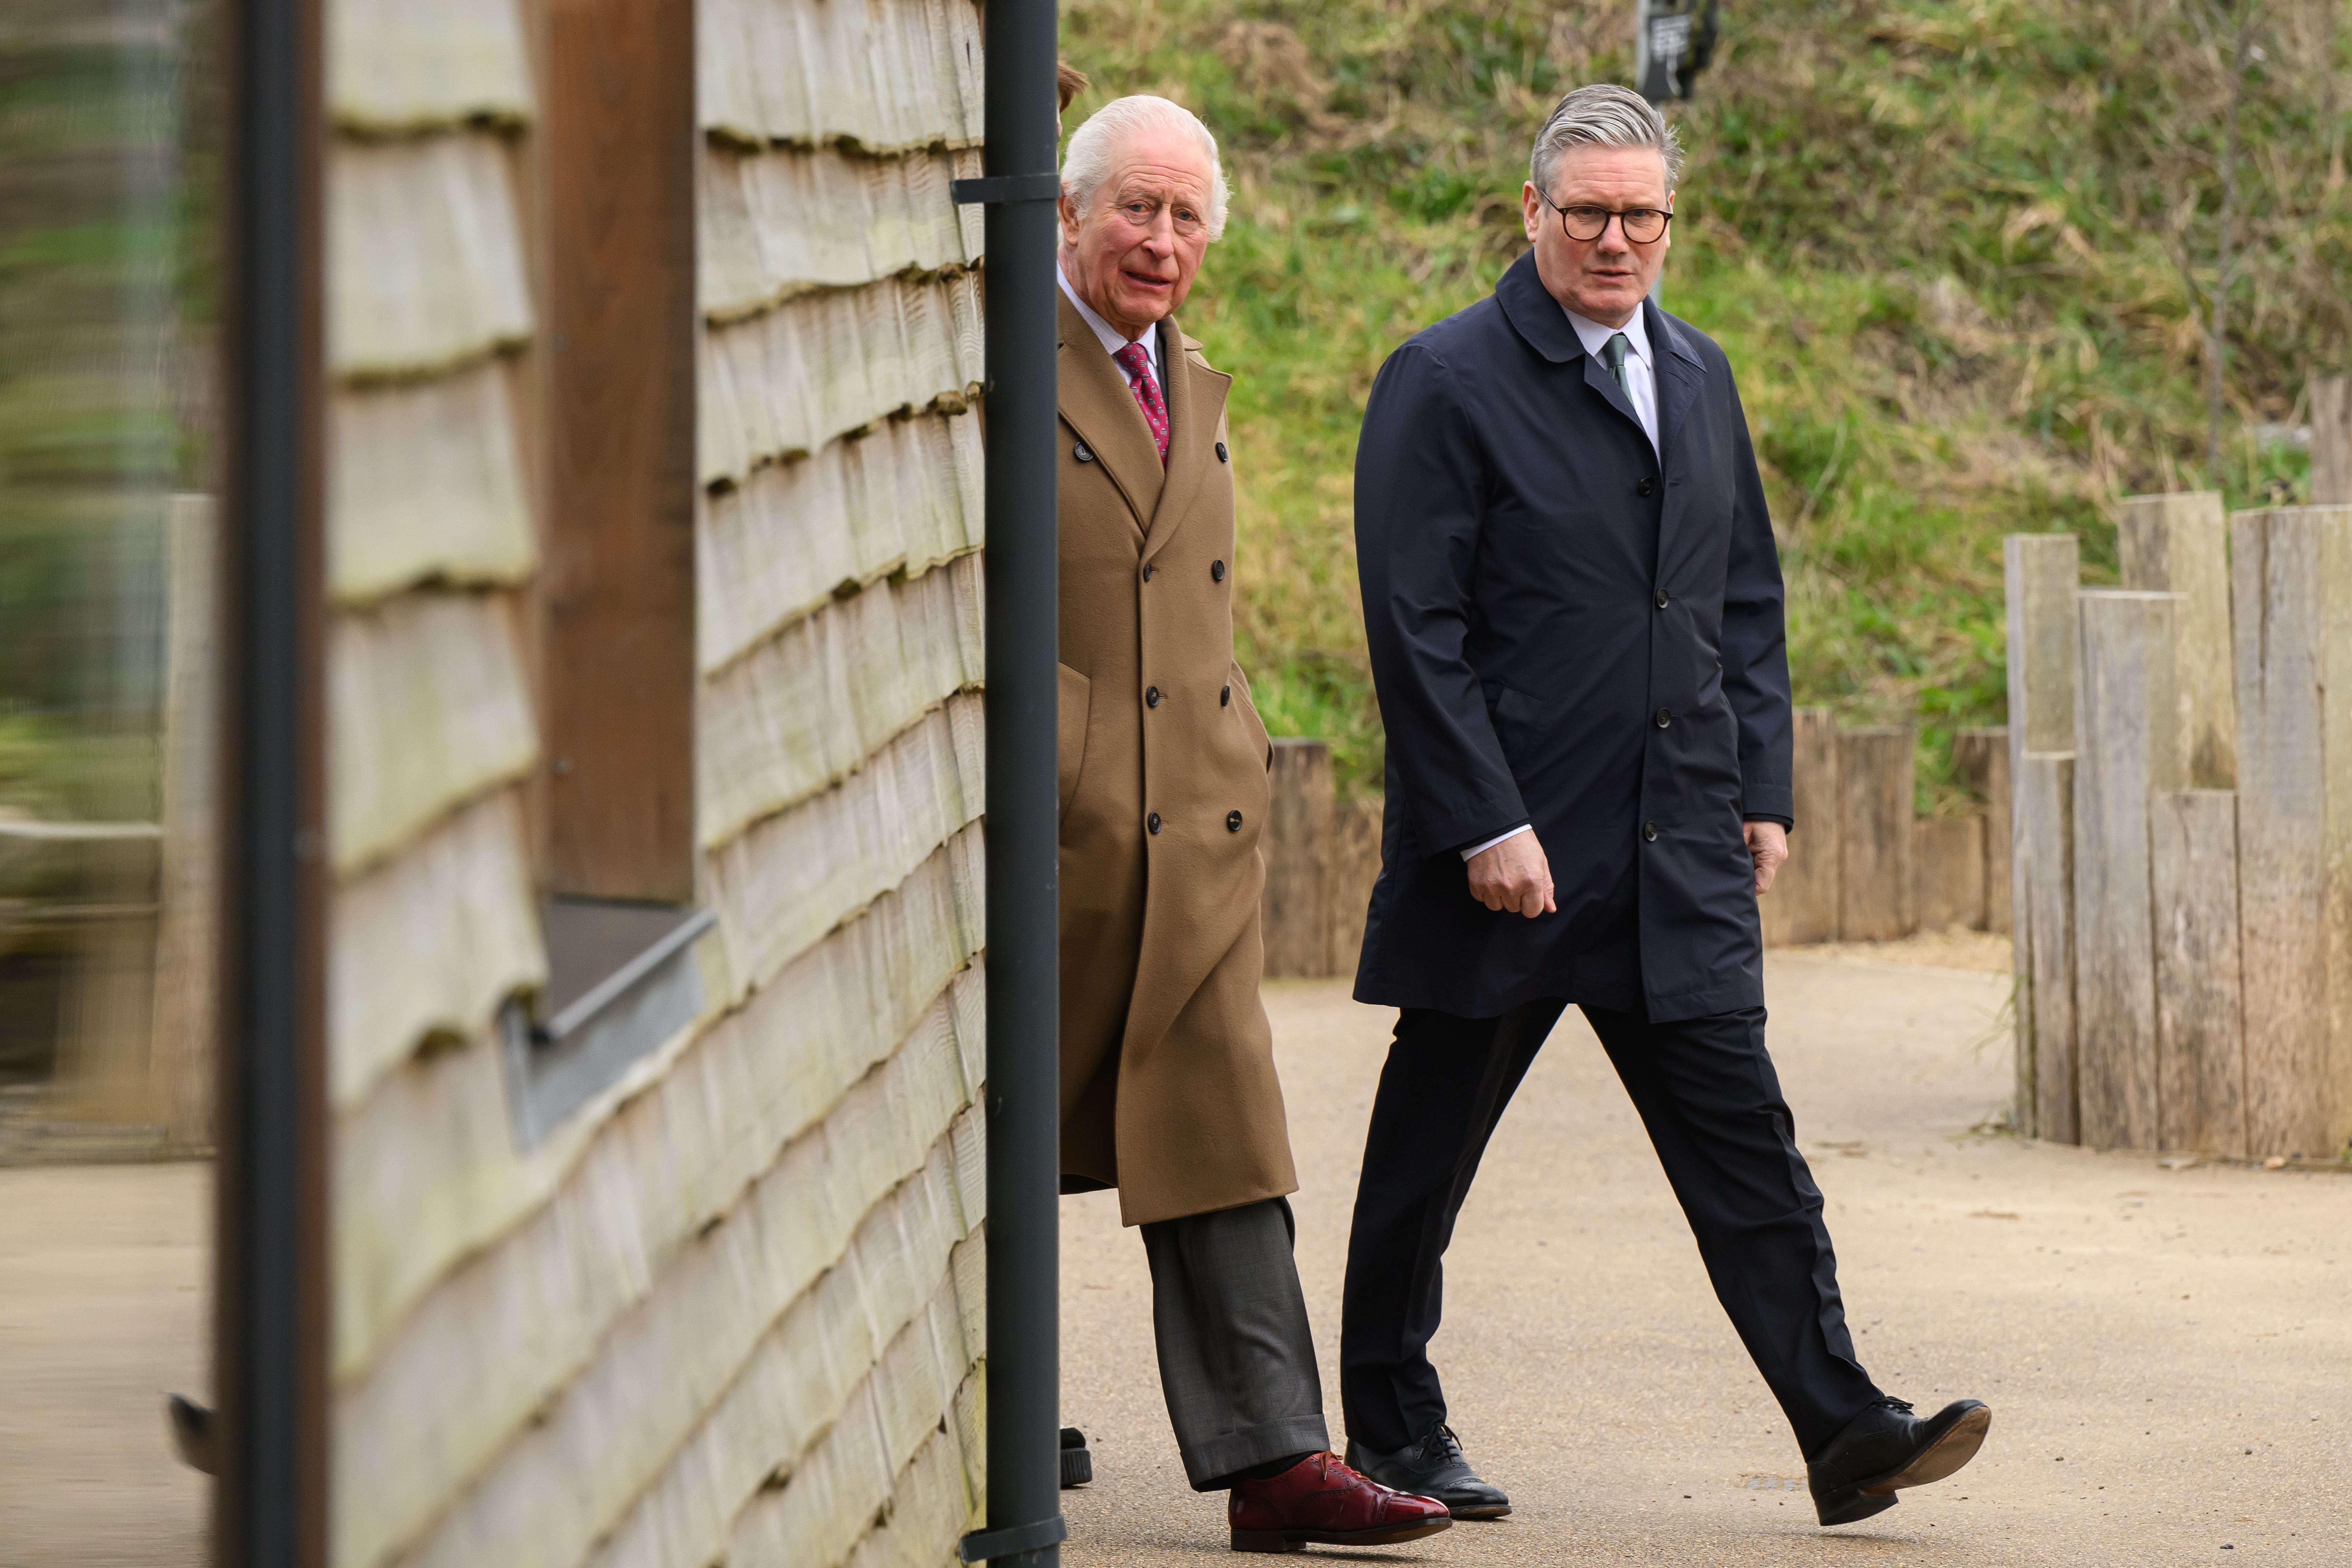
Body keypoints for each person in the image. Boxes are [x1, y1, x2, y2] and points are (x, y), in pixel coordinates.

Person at [1338, 83, 1991, 1530]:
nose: (1615, 239)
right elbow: (1412, 625)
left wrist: (1758, 787)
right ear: (1531, 212)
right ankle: (1391, 1432)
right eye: (1587, 212)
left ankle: (1846, 1429)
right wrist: (1481, 820)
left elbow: (1739, 595)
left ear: (1669, 222)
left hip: (1676, 846)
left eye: (1642, 215)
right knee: (1426, 1160)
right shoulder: (1442, 379)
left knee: (1748, 1150)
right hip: (1511, 858)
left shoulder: (1697, 371)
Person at [1051, 93, 1451, 1554]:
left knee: (1221, 1123)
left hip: (1197, 834)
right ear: (1067, 215)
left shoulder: (1187, 376)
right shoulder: (986, 364)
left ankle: (1280, 1462)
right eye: (1134, 208)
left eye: (1186, 217)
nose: (1160, 241)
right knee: (997, 1133)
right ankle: (993, 1398)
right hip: (1055, 838)